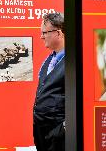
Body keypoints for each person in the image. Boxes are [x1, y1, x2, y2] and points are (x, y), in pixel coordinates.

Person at [33, 12, 65, 151]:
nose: (41, 36)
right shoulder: (49, 59)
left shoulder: (74, 61)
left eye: (44, 32)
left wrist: (64, 128)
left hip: (59, 135)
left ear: (58, 33)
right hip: (42, 133)